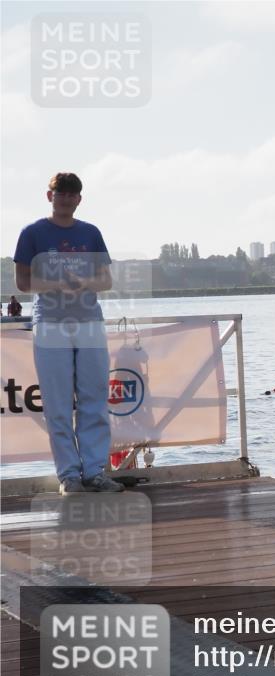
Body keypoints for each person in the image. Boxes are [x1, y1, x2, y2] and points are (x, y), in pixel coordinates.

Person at [13, 172, 123, 494]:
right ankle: (69, 476)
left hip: (89, 324)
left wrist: (83, 282)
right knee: (58, 404)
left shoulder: (91, 233)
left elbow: (106, 281)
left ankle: (95, 472)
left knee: (94, 400)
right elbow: (22, 282)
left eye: (72, 194)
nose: (66, 199)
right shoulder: (32, 233)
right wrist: (57, 284)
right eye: (60, 193)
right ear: (50, 196)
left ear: (79, 199)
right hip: (50, 325)